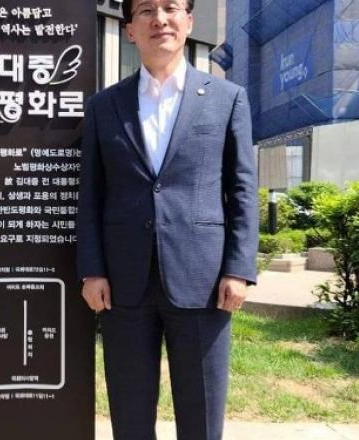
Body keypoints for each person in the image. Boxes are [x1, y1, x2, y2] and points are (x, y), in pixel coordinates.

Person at [76, 1, 258, 439]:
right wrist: (92, 270)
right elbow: (91, 194)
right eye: (145, 11)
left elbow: (242, 189)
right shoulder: (105, 105)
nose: (159, 19)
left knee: (202, 413)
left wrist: (238, 269)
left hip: (203, 280)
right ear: (130, 30)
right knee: (130, 412)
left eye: (170, 8)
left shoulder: (227, 98)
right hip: (123, 284)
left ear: (188, 22)